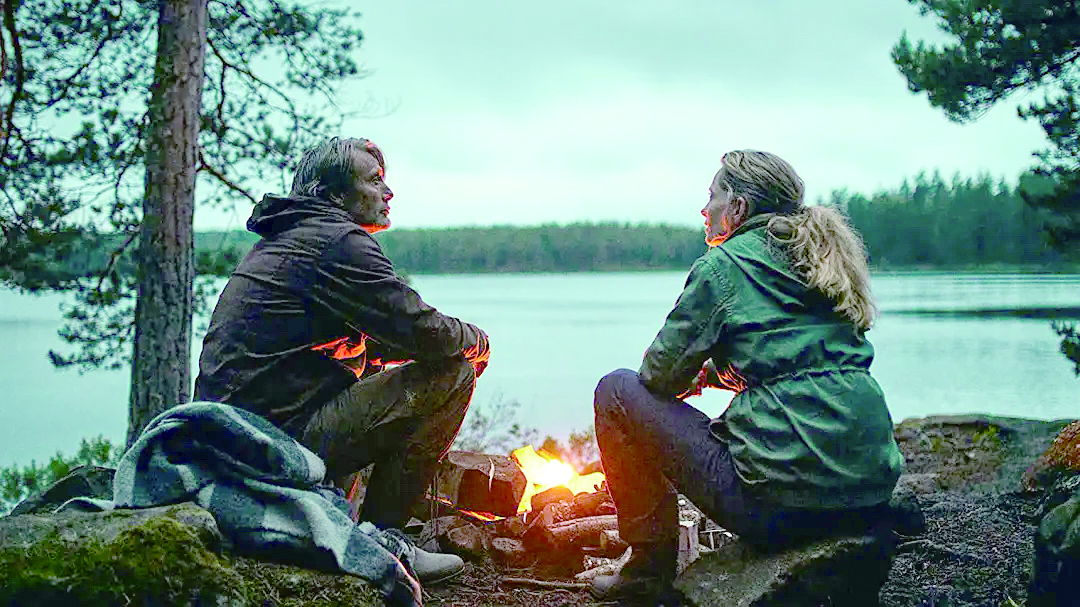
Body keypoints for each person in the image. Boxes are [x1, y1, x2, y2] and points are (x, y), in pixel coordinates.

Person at [590, 150, 904, 603]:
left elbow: (657, 376)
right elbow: (795, 359)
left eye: (712, 196)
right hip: (868, 499)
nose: (704, 209)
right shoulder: (821, 257)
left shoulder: (723, 266)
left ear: (737, 207)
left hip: (780, 512)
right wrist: (715, 374)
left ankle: (646, 574)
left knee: (617, 391)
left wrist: (692, 372)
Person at [194, 136, 490, 584]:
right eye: (374, 180)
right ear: (334, 194)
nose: (388, 192)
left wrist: (394, 353)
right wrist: (478, 341)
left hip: (235, 439)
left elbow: (381, 341)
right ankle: (385, 541)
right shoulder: (338, 242)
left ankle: (351, 523)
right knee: (453, 373)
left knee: (371, 368)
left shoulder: (293, 238)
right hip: (270, 446)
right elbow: (425, 331)